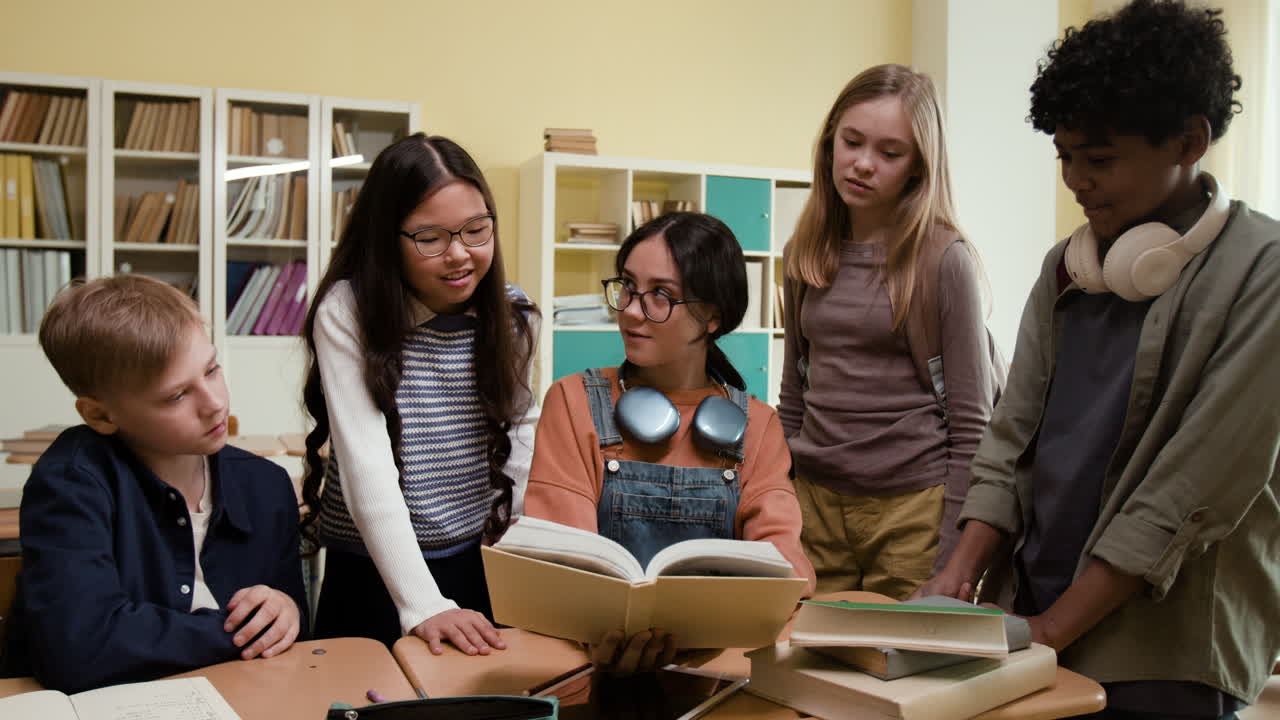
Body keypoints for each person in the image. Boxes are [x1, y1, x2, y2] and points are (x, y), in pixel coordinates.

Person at [918, 2, 1279, 717]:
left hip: (1166, 650)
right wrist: (956, 576)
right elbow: (1011, 435)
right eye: (1066, 158)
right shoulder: (1069, 269)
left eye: (1101, 159)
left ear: (1189, 141)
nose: (1077, 181)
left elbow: (1187, 488)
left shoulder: (1262, 272)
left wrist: (1053, 630)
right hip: (1039, 614)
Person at [525, 211, 815, 672]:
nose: (632, 310)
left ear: (713, 316)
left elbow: (784, 571)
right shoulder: (571, 401)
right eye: (627, 286)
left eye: (661, 295)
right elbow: (563, 565)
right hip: (588, 663)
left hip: (717, 669)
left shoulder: (758, 426)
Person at [1, 274, 306, 693]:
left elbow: (296, 638)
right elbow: (79, 650)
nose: (215, 402)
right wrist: (236, 632)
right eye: (177, 396)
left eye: (212, 369)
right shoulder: (70, 484)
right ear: (101, 416)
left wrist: (286, 612)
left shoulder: (266, 486)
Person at [300, 133, 539, 655]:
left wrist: (522, 539)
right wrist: (423, 604)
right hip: (373, 565)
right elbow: (367, 463)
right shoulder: (349, 312)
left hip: (475, 556)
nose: (460, 255)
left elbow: (522, 433)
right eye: (430, 238)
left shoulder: (513, 312)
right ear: (387, 237)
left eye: (477, 231)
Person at [778, 63, 996, 600]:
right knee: (812, 670)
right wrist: (779, 507)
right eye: (851, 142)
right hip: (815, 506)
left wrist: (952, 558)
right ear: (830, 142)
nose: (863, 164)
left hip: (911, 512)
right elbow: (793, 398)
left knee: (899, 676)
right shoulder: (803, 253)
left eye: (889, 153)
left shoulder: (945, 261)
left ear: (919, 167)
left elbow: (972, 426)